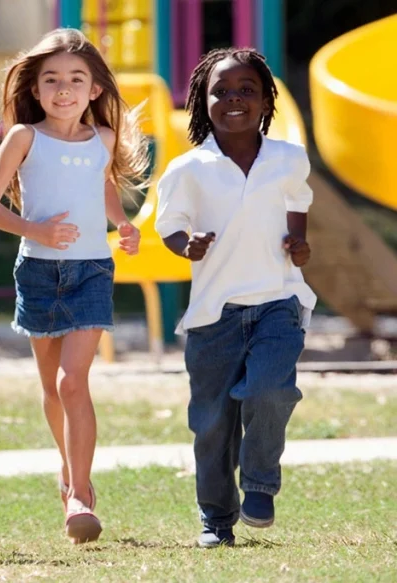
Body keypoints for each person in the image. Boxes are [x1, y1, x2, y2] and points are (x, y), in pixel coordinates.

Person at [0, 28, 150, 544]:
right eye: (51, 79)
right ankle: (69, 469)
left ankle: (79, 492)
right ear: (36, 89)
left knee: (74, 382)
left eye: (76, 79)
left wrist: (122, 223)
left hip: (92, 270)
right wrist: (36, 230)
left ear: (94, 89)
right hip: (38, 273)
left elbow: (104, 185)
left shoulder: (104, 139)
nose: (63, 89)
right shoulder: (23, 138)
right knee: (52, 388)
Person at [154, 47, 315, 548]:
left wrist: (298, 243)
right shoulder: (188, 168)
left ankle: (260, 485)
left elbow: (298, 204)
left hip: (278, 300)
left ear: (266, 100)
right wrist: (188, 246)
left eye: (247, 90)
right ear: (202, 103)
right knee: (213, 424)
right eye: (220, 91)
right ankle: (216, 519)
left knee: (270, 391)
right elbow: (169, 225)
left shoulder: (288, 158)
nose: (234, 99)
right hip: (213, 314)